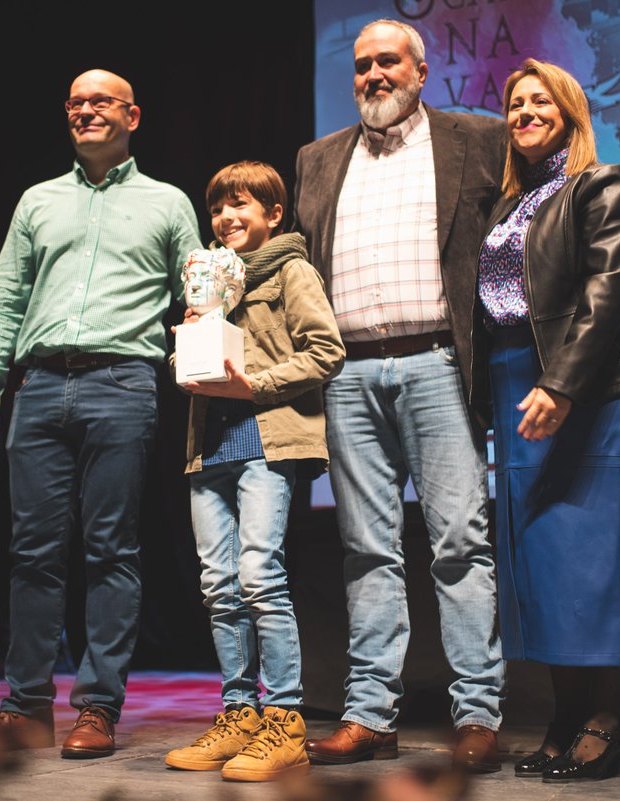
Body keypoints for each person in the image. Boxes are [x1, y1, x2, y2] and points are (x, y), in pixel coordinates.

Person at [0, 69, 201, 758]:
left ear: (132, 116)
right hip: (37, 386)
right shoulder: (38, 200)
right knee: (32, 552)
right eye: (75, 102)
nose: (85, 111)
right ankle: (25, 709)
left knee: (110, 549)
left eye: (100, 101)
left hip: (122, 383)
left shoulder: (167, 203)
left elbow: (200, 294)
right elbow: (4, 296)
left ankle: (98, 707)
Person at [293, 19, 507, 772]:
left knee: (460, 544)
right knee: (366, 550)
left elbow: (543, 195)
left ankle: (477, 713)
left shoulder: (478, 139)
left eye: (388, 62)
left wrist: (604, 186)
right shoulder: (318, 158)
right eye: (362, 66)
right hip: (348, 373)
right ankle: (369, 715)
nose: (373, 75)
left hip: (437, 364)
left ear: (420, 71)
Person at [471, 58, 620, 783]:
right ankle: (565, 714)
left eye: (539, 101)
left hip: (584, 388)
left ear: (570, 112)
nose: (524, 113)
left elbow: (610, 290)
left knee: (596, 561)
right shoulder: (505, 204)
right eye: (514, 104)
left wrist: (561, 383)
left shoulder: (600, 183)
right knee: (546, 564)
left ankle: (605, 721)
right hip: (513, 384)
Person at [164, 162, 345, 782]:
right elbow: (190, 369)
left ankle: (285, 721)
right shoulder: (210, 279)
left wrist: (255, 385)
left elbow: (326, 351)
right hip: (210, 448)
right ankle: (239, 713)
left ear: (274, 214)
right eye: (217, 208)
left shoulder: (292, 270)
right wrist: (189, 343)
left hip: (268, 444)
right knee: (219, 585)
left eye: (240, 204)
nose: (226, 217)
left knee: (259, 576)